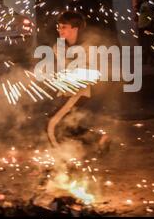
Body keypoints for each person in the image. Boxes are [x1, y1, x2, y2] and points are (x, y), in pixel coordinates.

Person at [47, 11, 110, 153]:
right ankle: (99, 139)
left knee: (52, 124)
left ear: (75, 29)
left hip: (79, 92)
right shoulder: (58, 47)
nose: (59, 30)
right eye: (59, 27)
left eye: (64, 27)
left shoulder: (88, 47)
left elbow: (92, 72)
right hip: (66, 90)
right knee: (67, 125)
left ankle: (61, 163)